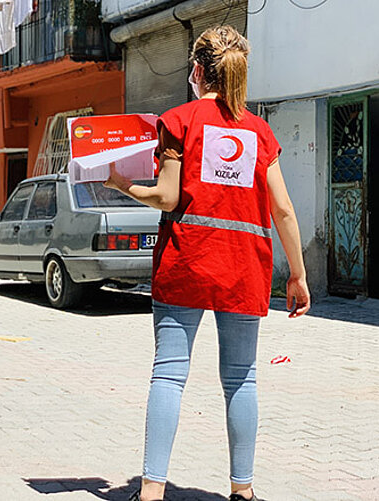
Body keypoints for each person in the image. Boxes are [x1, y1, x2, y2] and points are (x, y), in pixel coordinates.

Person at [104, 26, 311, 501]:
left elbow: (167, 195)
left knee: (169, 374)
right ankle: (243, 491)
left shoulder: (178, 119)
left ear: (197, 71)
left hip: (187, 262)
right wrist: (297, 275)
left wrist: (120, 185)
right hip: (244, 268)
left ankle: (152, 491)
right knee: (241, 378)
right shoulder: (258, 130)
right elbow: (282, 208)